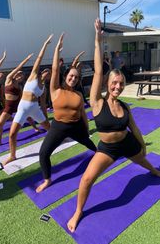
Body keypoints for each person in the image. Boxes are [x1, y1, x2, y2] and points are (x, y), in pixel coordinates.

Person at [67, 18, 160, 233]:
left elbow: (134, 129)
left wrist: (142, 146)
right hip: (108, 149)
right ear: (108, 85)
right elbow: (99, 70)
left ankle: (154, 170)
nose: (117, 86)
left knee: (142, 161)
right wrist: (98, 40)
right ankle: (79, 211)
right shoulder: (97, 103)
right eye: (114, 83)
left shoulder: (125, 107)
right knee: (87, 179)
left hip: (127, 144)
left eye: (121, 84)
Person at [36, 33, 97, 193]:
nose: (73, 79)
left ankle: (99, 154)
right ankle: (47, 180)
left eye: (76, 78)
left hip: (76, 126)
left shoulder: (77, 95)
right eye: (71, 76)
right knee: (43, 153)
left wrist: (87, 126)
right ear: (66, 76)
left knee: (87, 142)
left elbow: (83, 112)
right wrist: (57, 48)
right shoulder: (55, 90)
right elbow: (55, 68)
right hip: (58, 127)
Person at [2, 34, 53, 166]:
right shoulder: (33, 76)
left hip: (35, 109)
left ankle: (59, 138)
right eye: (47, 71)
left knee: (49, 128)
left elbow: (42, 104)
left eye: (50, 73)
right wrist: (45, 44)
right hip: (23, 108)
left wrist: (45, 118)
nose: (48, 73)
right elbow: (39, 58)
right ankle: (12, 155)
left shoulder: (44, 89)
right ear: (42, 72)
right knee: (12, 134)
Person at [0, 54, 38, 150]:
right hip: (9, 107)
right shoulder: (8, 79)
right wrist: (27, 59)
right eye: (19, 74)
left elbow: (21, 97)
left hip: (18, 105)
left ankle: (36, 127)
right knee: (0, 124)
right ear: (15, 74)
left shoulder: (19, 86)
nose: (20, 76)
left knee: (28, 117)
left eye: (21, 75)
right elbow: (18, 67)